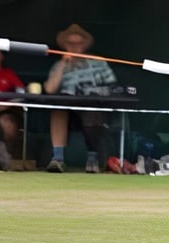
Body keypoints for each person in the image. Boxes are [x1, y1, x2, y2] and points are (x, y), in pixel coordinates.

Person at [43, 23, 118, 173]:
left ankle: (93, 158)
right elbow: (49, 89)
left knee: (91, 111)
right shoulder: (59, 65)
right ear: (65, 46)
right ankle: (58, 159)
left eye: (78, 44)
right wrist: (63, 63)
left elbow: (113, 87)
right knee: (58, 110)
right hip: (68, 108)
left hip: (92, 106)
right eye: (71, 44)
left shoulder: (99, 62)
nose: (74, 47)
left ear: (84, 45)